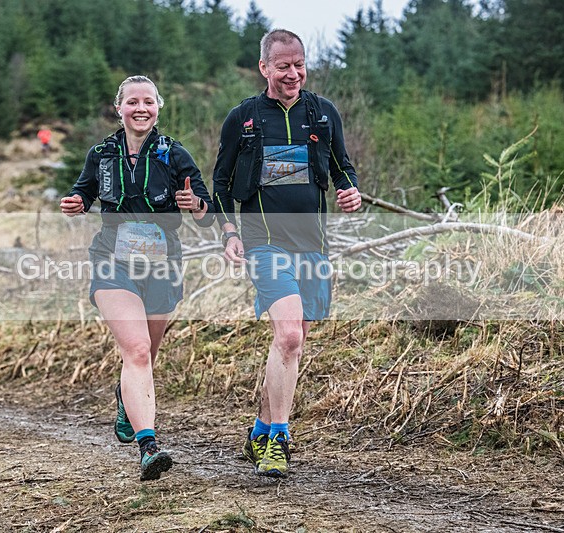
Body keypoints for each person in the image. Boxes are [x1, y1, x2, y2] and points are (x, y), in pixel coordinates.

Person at [212, 29, 362, 478]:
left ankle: (259, 429)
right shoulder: (243, 118)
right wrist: (227, 232)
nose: (293, 73)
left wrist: (349, 190)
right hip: (264, 242)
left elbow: (342, 166)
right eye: (283, 66)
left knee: (290, 345)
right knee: (290, 336)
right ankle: (279, 439)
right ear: (264, 68)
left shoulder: (323, 113)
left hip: (313, 246)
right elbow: (219, 183)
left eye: (299, 64)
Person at [60, 75, 214, 481]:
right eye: (132, 102)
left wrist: (195, 204)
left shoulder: (174, 154)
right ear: (119, 108)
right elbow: (84, 194)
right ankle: (149, 447)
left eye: (148, 101)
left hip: (163, 264)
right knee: (138, 351)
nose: (140, 108)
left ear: (158, 108)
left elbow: (207, 213)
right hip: (113, 261)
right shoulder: (101, 154)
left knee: (146, 354)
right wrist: (76, 204)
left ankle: (125, 396)